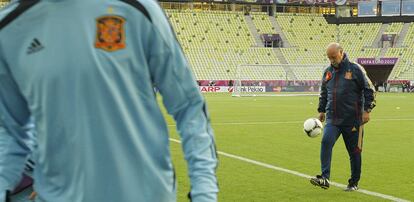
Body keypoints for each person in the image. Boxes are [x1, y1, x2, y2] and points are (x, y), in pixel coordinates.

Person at [0, 0, 218, 201]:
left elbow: (189, 106)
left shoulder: (137, 8)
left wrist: (204, 192)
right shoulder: (9, 28)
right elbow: (11, 131)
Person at [310, 43, 376, 191]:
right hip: (333, 119)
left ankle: (353, 183)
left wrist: (367, 110)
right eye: (329, 57)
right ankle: (325, 177)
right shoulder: (327, 72)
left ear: (341, 52)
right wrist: (321, 110)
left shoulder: (355, 69)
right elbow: (324, 92)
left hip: (353, 119)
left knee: (354, 152)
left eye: (333, 57)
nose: (331, 60)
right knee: (326, 141)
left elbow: (369, 89)